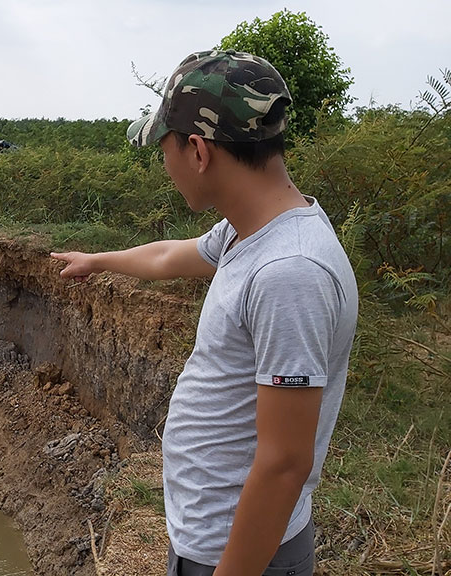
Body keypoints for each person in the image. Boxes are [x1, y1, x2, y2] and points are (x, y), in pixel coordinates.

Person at [51, 50, 358, 576]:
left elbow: (285, 465)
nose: (164, 165)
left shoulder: (290, 271)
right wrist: (98, 260)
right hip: (208, 535)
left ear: (197, 151)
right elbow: (171, 255)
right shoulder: (250, 231)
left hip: (243, 554)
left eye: (163, 148)